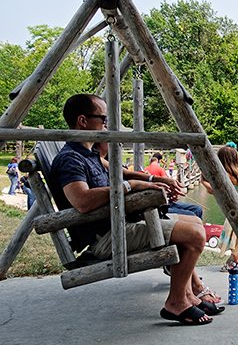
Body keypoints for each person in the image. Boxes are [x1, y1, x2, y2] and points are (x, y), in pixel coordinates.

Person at [49, 93, 217, 325]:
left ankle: (187, 295)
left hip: (118, 225)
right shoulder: (71, 160)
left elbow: (123, 172)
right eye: (103, 119)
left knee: (196, 224)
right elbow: (82, 201)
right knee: (195, 235)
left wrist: (152, 179)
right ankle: (176, 303)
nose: (107, 125)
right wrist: (131, 187)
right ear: (82, 121)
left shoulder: (89, 154)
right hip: (106, 237)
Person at [201, 146, 238, 270]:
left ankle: (236, 262)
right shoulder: (237, 171)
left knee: (234, 235)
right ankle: (236, 260)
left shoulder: (226, 175)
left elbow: (214, 191)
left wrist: (203, 181)